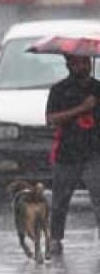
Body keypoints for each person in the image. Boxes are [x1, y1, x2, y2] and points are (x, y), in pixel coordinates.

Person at [44, 52, 100, 256]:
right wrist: (81, 109)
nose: (82, 66)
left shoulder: (97, 88)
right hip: (67, 153)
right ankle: (55, 239)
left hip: (95, 152)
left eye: (85, 62)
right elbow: (52, 119)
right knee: (60, 200)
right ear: (68, 65)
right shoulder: (60, 90)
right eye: (77, 63)